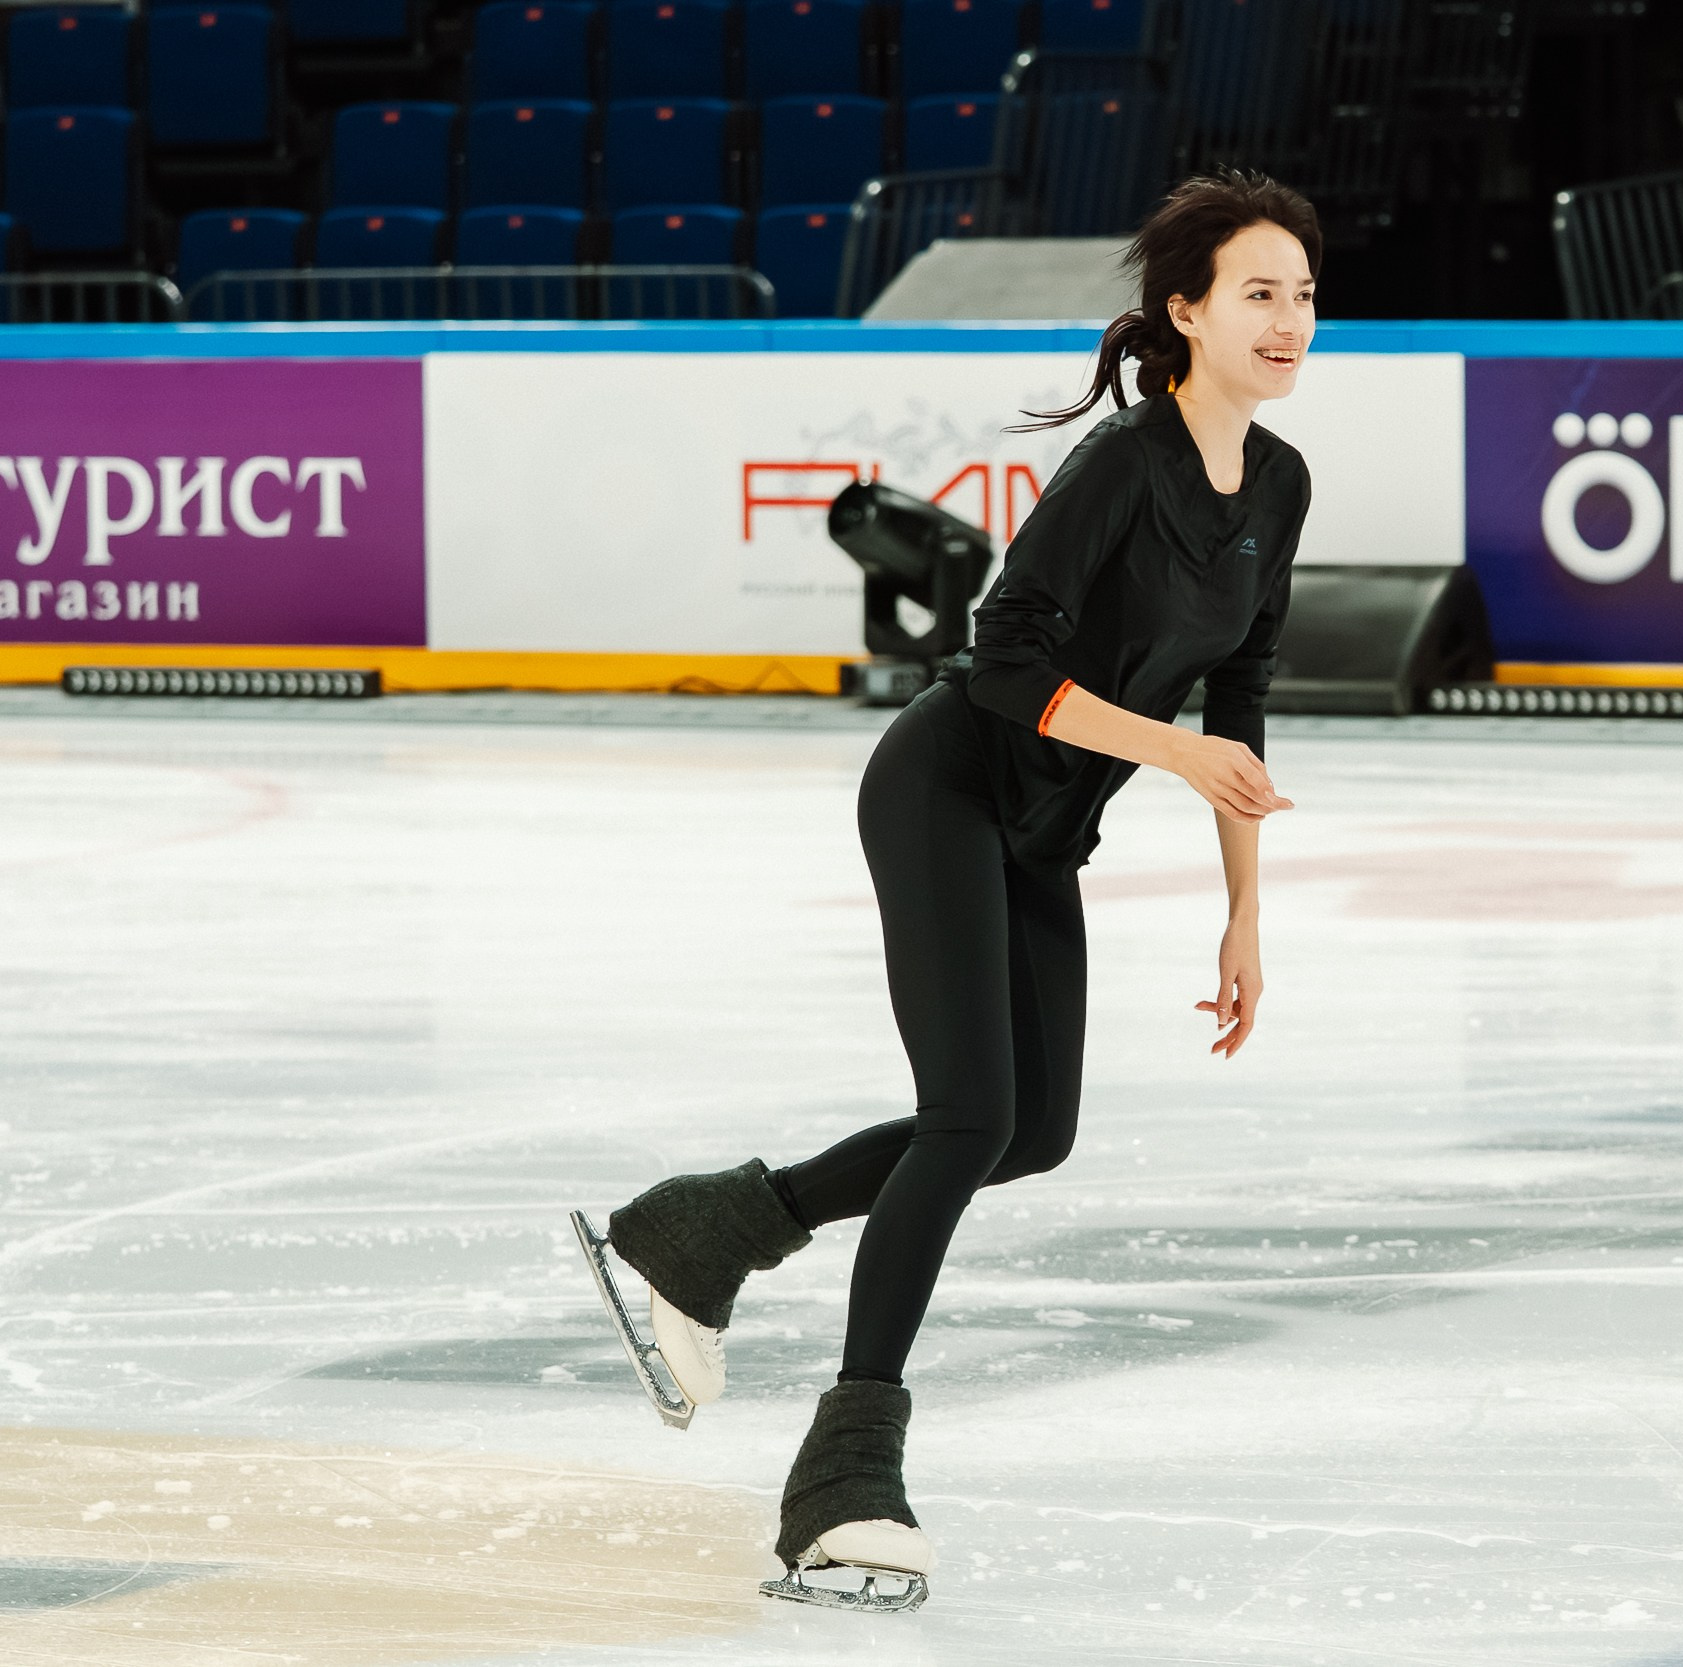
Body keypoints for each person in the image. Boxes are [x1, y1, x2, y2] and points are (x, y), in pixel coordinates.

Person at [584, 169, 1321, 1610]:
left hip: (1043, 825)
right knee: (970, 1111)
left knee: (1029, 1132)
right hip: (944, 787)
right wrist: (1167, 750)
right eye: (1259, 292)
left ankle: (705, 1229)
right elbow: (1006, 660)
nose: (1291, 320)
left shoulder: (1278, 486)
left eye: (1303, 295)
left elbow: (1241, 704)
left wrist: (1243, 910)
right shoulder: (1124, 460)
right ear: (1185, 311)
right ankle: (847, 1477)